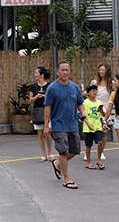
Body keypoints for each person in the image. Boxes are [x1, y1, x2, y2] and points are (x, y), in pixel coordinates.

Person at [44, 61, 86, 189]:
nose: (65, 72)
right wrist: (46, 125)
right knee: (63, 151)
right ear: (57, 72)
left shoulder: (74, 87)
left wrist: (83, 112)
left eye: (67, 70)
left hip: (72, 124)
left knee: (74, 151)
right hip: (58, 125)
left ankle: (57, 163)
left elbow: (80, 103)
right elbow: (47, 107)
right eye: (62, 70)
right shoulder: (52, 88)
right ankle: (67, 179)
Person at [83, 63, 113, 162]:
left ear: (107, 71)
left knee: (103, 132)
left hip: (105, 109)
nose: (101, 72)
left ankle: (101, 152)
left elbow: (114, 96)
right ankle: (87, 152)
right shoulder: (94, 82)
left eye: (103, 70)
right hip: (93, 109)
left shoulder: (111, 84)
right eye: (100, 70)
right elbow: (87, 92)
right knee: (91, 131)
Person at [28, 66, 54, 162]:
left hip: (48, 110)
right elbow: (30, 100)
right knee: (40, 133)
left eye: (36, 73)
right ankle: (44, 154)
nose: (35, 74)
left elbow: (54, 98)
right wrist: (36, 97)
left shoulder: (50, 86)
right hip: (37, 111)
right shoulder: (33, 86)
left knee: (47, 132)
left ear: (42, 75)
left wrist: (46, 97)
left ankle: (50, 152)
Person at [82, 84, 107, 170]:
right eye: (92, 90)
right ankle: (88, 162)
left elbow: (104, 114)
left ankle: (99, 159)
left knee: (100, 142)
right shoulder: (85, 103)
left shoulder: (99, 103)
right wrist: (88, 124)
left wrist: (101, 111)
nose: (94, 92)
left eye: (96, 90)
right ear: (88, 93)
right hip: (88, 127)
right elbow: (83, 115)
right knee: (88, 145)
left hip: (97, 127)